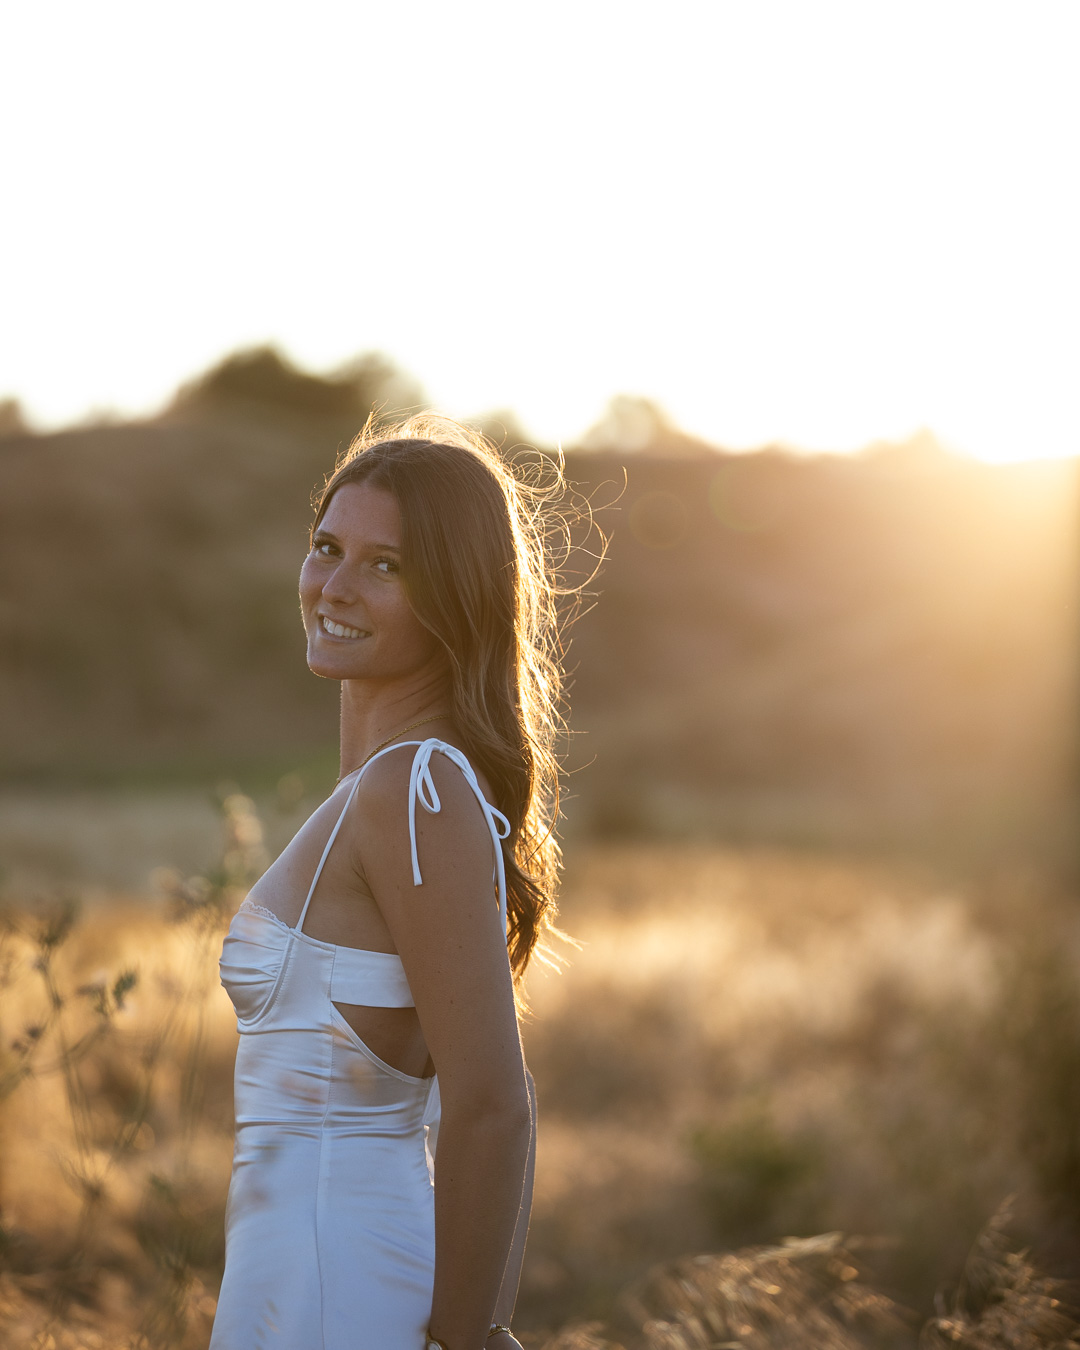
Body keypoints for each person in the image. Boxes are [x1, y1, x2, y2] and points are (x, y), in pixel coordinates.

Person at [211, 415, 568, 1350]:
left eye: (385, 566)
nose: (332, 586)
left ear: (455, 595)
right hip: (289, 1270)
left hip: (345, 1280)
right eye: (327, 548)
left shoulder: (414, 791)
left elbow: (495, 1102)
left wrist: (465, 1338)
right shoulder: (384, 790)